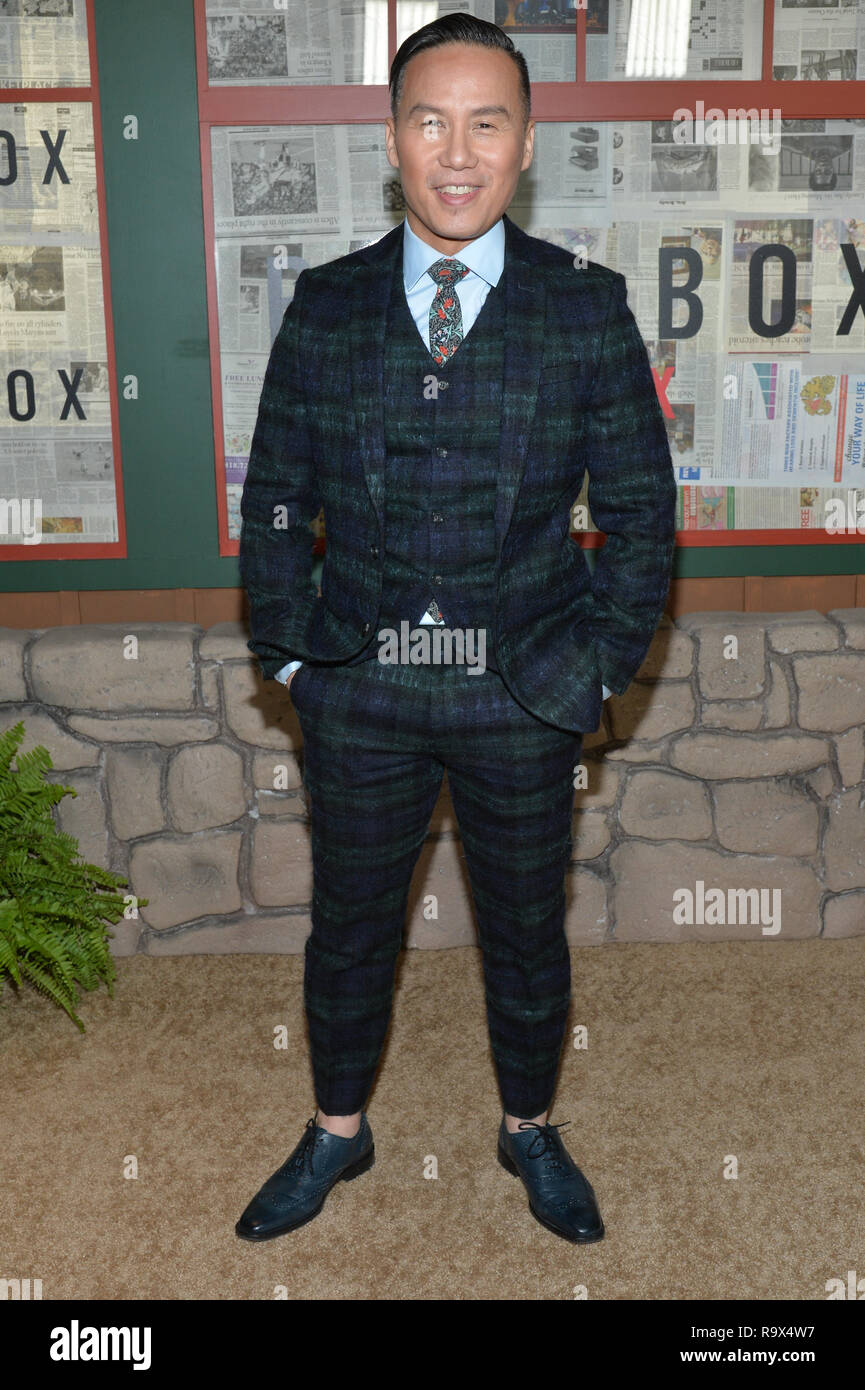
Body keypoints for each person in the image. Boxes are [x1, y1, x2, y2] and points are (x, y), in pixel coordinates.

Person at [236, 13, 676, 1246]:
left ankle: (528, 1126)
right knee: (350, 927)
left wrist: (591, 672)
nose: (457, 150)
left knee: (527, 933)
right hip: (359, 688)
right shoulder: (324, 308)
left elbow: (642, 513)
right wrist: (289, 656)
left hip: (525, 690)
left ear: (525, 143)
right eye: (430, 120)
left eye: (487, 121)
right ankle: (338, 1128)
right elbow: (274, 498)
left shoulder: (585, 309)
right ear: (392, 139)